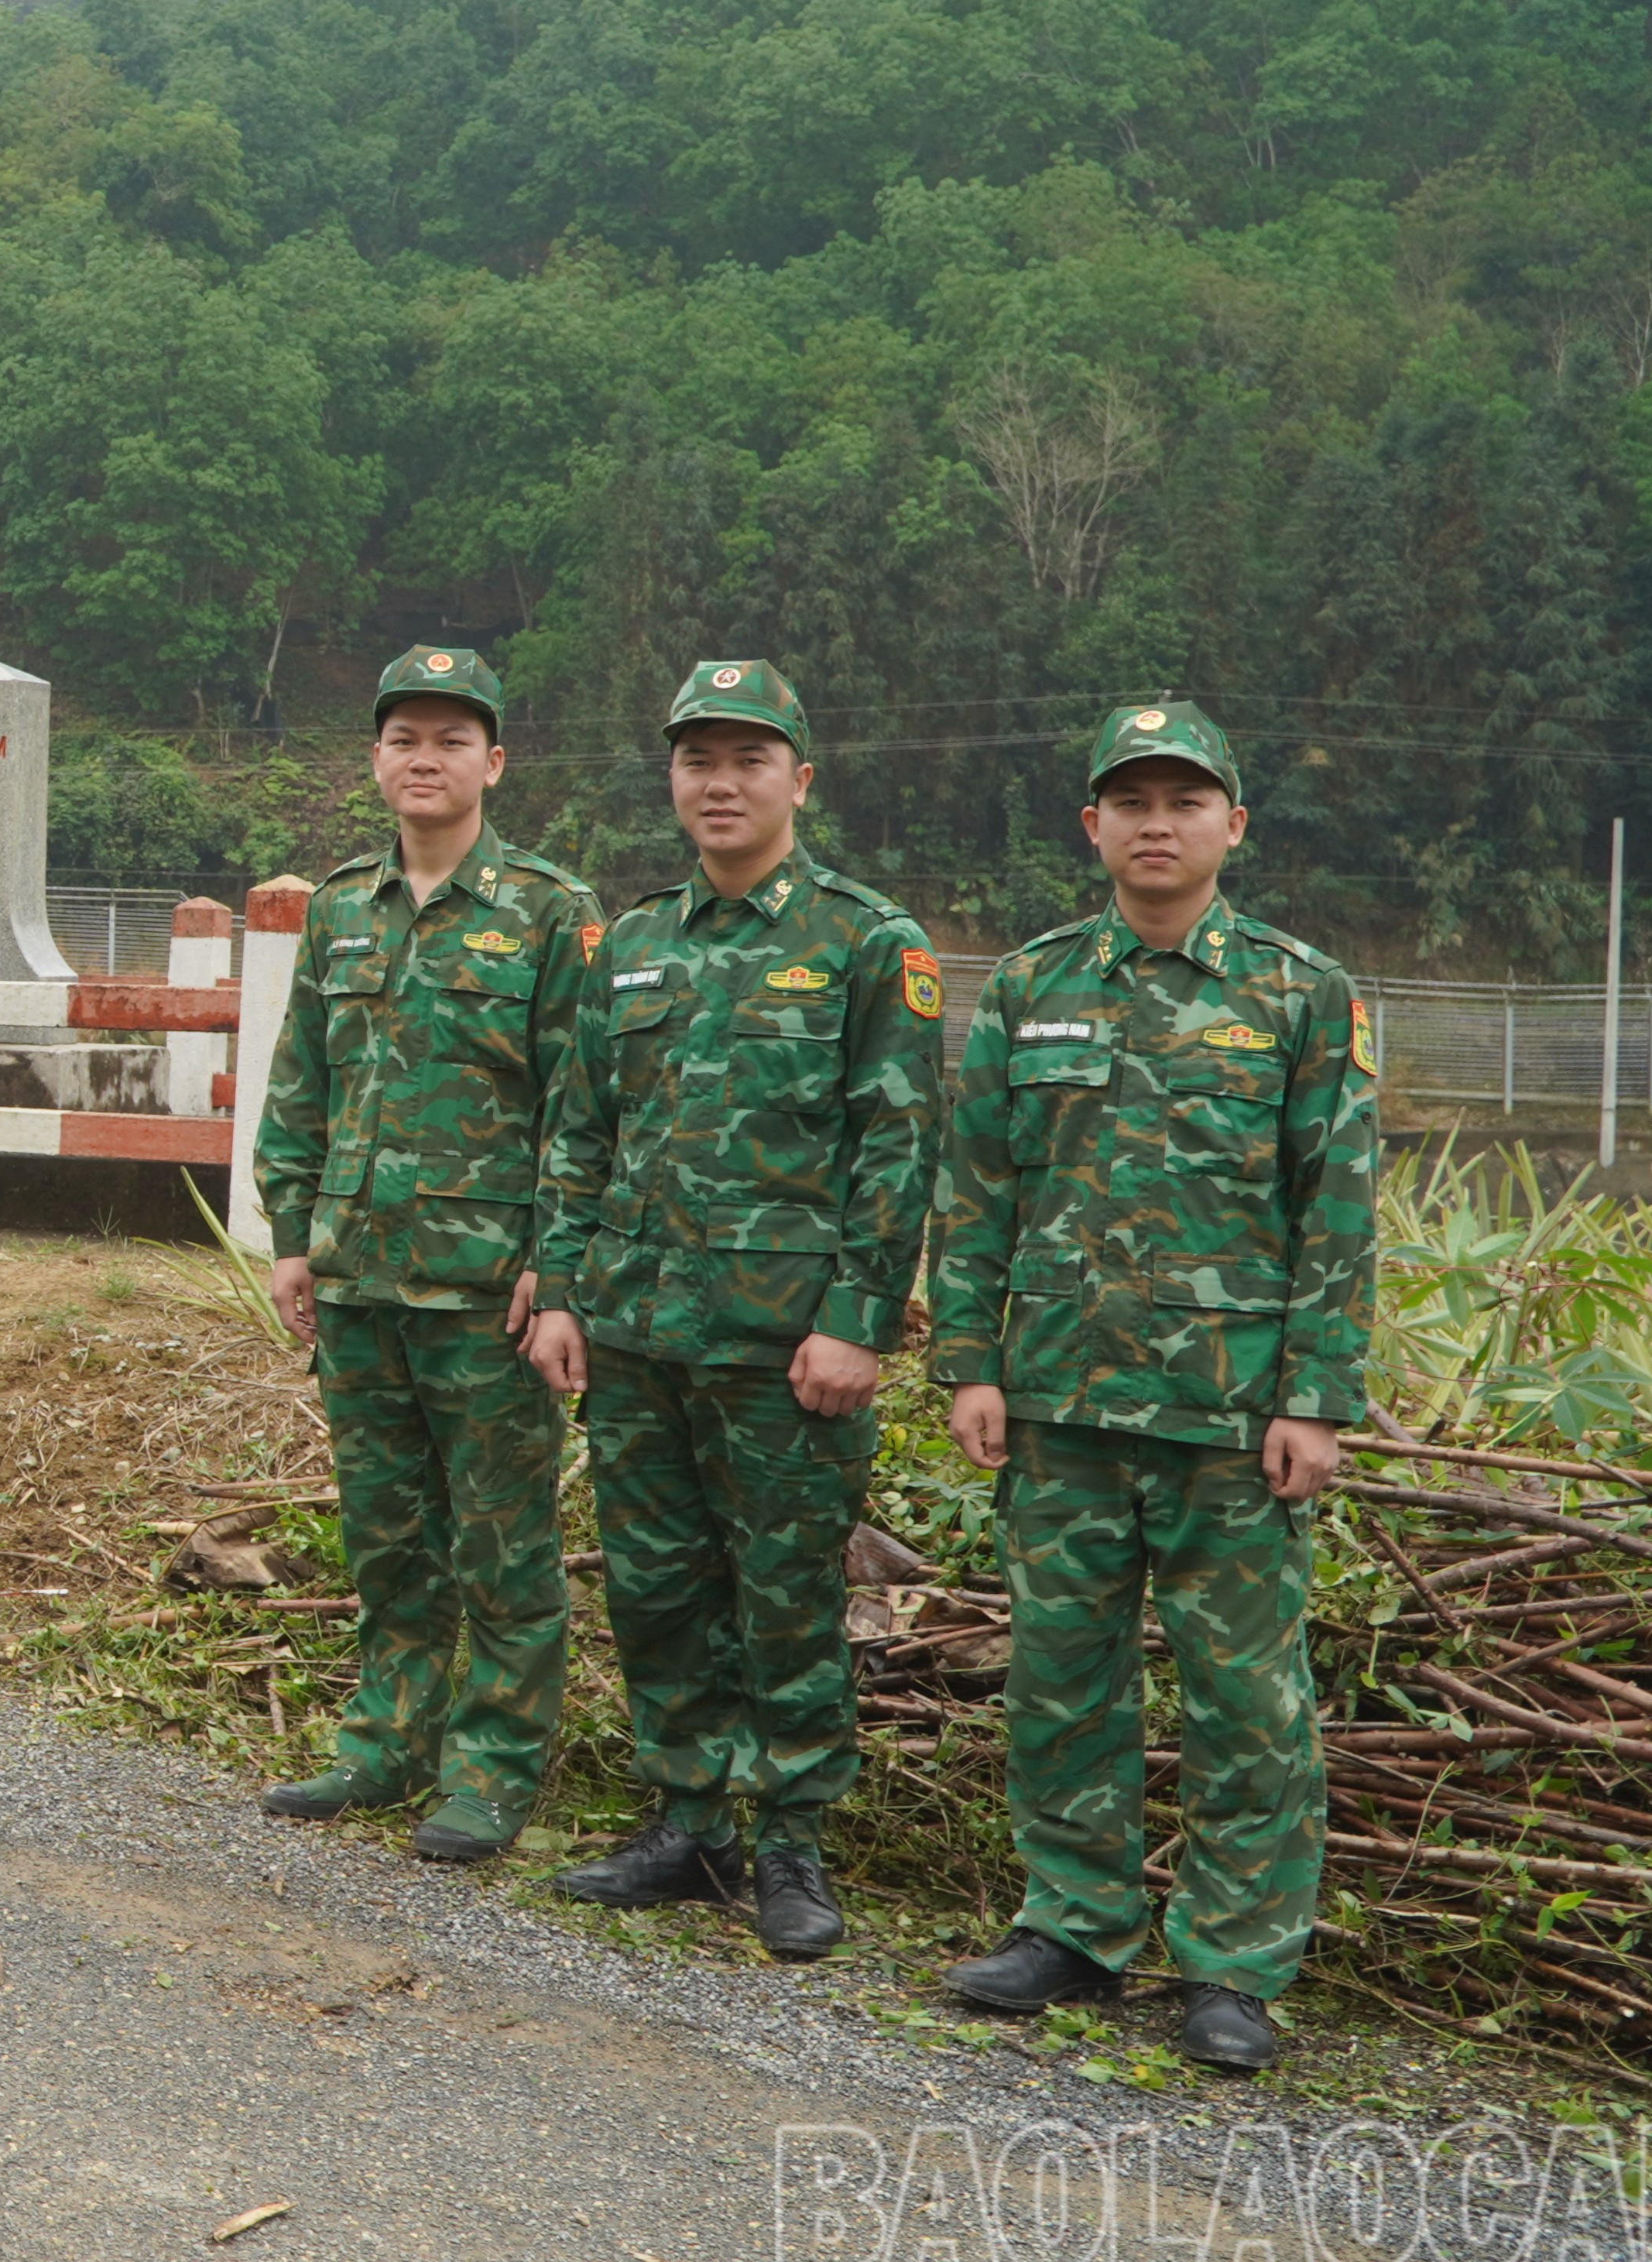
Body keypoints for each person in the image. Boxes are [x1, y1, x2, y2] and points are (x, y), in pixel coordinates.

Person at [925, 703, 1371, 2073]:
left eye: (1187, 799)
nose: (1158, 822)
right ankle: (1073, 1923)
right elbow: (981, 1188)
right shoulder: (1030, 985)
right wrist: (969, 1361)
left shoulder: (1302, 994)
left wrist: (1315, 1398)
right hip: (1060, 1404)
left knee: (1247, 1701)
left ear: (1234, 824)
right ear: (1095, 828)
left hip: (1231, 1420)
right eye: (1133, 801)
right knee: (1064, 1678)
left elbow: (1336, 1213)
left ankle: (1233, 1967)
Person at [524, 659, 942, 1959]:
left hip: (786, 1344)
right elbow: (581, 1129)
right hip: (643, 1332)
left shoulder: (870, 943)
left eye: (749, 759)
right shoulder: (632, 944)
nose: (721, 781)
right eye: (699, 759)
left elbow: (899, 1146)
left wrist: (859, 1317)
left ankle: (793, 1845)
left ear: (798, 780)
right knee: (657, 1584)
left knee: (785, 1591)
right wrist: (565, 1290)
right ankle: (689, 1819)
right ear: (674, 778)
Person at [246, 646, 596, 1864]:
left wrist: (559, 1265)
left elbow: (579, 1107)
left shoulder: (552, 913)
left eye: (453, 740)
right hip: (357, 1276)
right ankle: (386, 1739)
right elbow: (303, 1082)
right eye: (406, 739)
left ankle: (493, 1767)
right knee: (388, 1533)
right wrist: (293, 1235)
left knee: (502, 1541)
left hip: (485, 1289)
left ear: (494, 762)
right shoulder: (341, 906)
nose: (426, 759)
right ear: (377, 760)